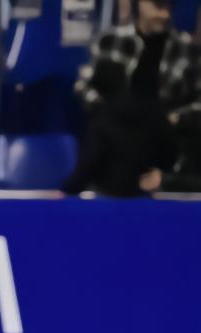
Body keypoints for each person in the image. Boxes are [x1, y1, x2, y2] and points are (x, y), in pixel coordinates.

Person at [65, 0, 200, 196]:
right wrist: (107, 110)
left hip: (161, 138)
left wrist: (174, 118)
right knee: (106, 127)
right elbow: (83, 86)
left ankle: (72, 189)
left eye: (168, 7)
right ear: (140, 4)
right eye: (158, 6)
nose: (165, 15)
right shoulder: (110, 40)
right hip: (115, 139)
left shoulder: (187, 48)